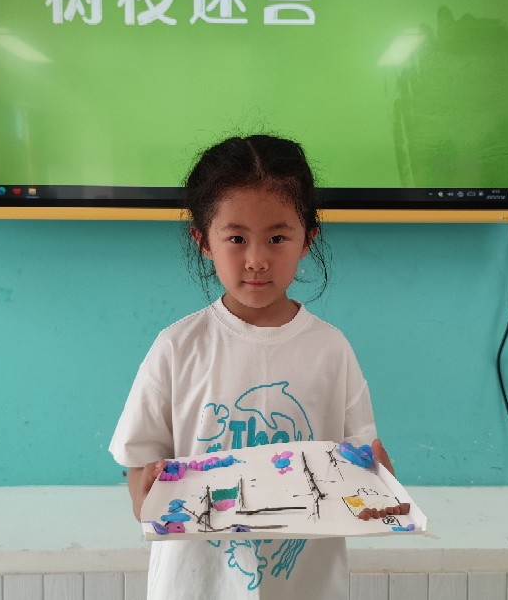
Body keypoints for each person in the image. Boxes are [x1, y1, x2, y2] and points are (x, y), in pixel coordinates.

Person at [110, 134, 392, 599]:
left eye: (277, 238)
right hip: (196, 586)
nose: (257, 260)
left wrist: (378, 487)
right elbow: (141, 483)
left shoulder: (331, 349)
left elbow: (358, 472)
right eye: (236, 238)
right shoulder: (177, 348)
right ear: (203, 240)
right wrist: (148, 494)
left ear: (307, 240)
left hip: (305, 585)